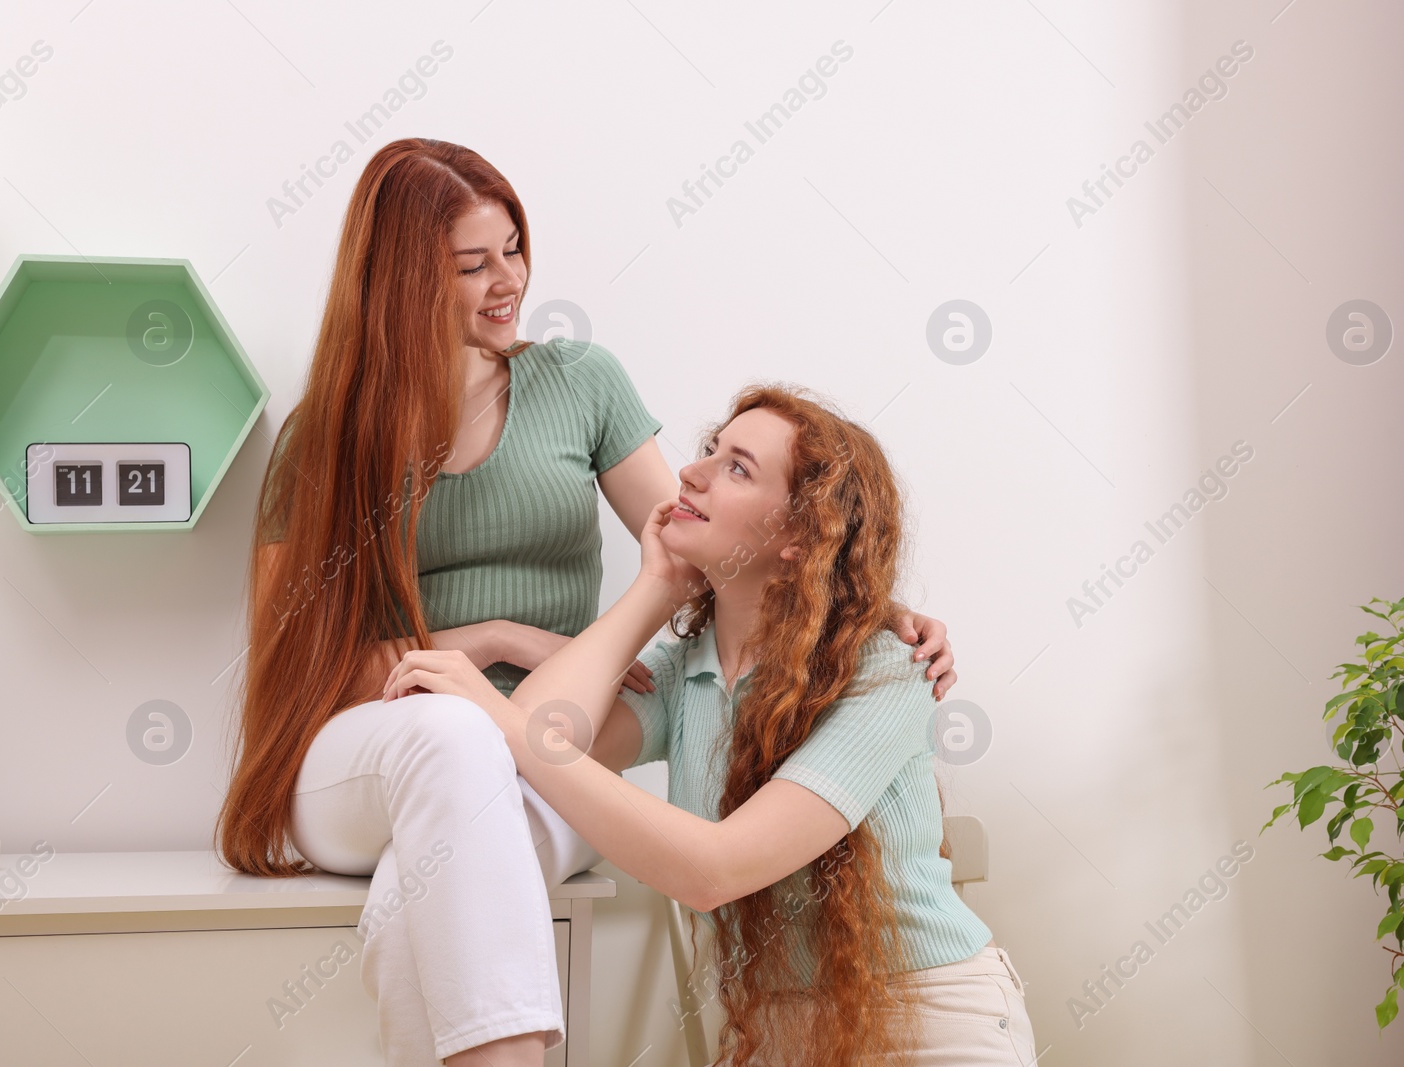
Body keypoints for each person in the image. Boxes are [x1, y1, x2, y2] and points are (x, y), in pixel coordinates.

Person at [215, 137, 959, 1067]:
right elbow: (296, 666)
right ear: (402, 278)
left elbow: (707, 542)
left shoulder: (579, 386)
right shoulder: (323, 437)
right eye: (472, 264)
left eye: (514, 248)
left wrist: (866, 604)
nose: (509, 281)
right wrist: (488, 638)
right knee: (453, 736)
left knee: (435, 863)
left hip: (537, 751)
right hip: (373, 747)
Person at [383, 385, 1036, 1067]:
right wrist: (654, 589)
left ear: (797, 539)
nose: (691, 473)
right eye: (709, 450)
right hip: (774, 1038)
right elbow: (535, 750)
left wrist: (500, 717)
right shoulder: (681, 672)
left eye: (738, 467)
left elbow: (714, 869)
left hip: (931, 1026)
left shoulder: (885, 669)